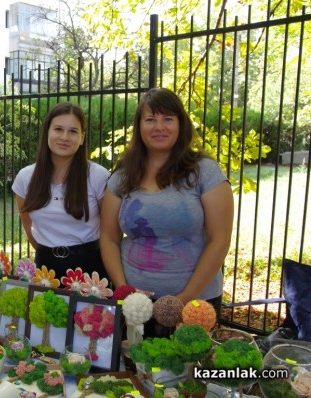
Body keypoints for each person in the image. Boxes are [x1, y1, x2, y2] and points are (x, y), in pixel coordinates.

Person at [100, 87, 234, 336]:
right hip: (136, 306)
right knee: (138, 370)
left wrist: (184, 299)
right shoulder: (122, 175)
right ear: (139, 127)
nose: (158, 126)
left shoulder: (204, 171)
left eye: (167, 118)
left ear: (180, 125)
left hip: (195, 302)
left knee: (185, 373)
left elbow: (219, 240)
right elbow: (108, 237)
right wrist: (125, 291)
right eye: (150, 119)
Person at [12, 102, 110, 279]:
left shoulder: (99, 176)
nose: (64, 137)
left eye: (73, 131)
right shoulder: (25, 178)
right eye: (58, 129)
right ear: (47, 132)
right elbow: (28, 227)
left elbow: (111, 233)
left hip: (90, 270)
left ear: (82, 138)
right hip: (45, 269)